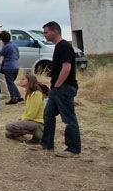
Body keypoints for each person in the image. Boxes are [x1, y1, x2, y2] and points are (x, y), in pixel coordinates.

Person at [37, 21, 82, 157]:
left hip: (64, 88)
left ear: (55, 31)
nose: (44, 35)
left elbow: (66, 68)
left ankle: (73, 148)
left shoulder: (64, 46)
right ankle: (47, 144)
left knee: (68, 118)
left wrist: (57, 85)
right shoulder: (58, 47)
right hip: (58, 89)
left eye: (46, 32)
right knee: (48, 114)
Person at [5, 73, 45, 142]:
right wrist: (22, 117)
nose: (21, 81)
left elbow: (33, 113)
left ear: (29, 81)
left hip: (38, 121)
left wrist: (24, 119)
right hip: (31, 120)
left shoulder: (37, 94)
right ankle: (31, 132)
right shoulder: (29, 94)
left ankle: (37, 132)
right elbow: (27, 111)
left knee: (9, 126)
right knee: (8, 133)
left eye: (23, 79)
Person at [0, 30, 22, 104]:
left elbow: (0, 54)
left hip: (9, 66)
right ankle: (18, 96)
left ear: (2, 39)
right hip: (16, 65)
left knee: (10, 83)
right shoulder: (14, 45)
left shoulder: (7, 46)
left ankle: (13, 98)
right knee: (12, 82)